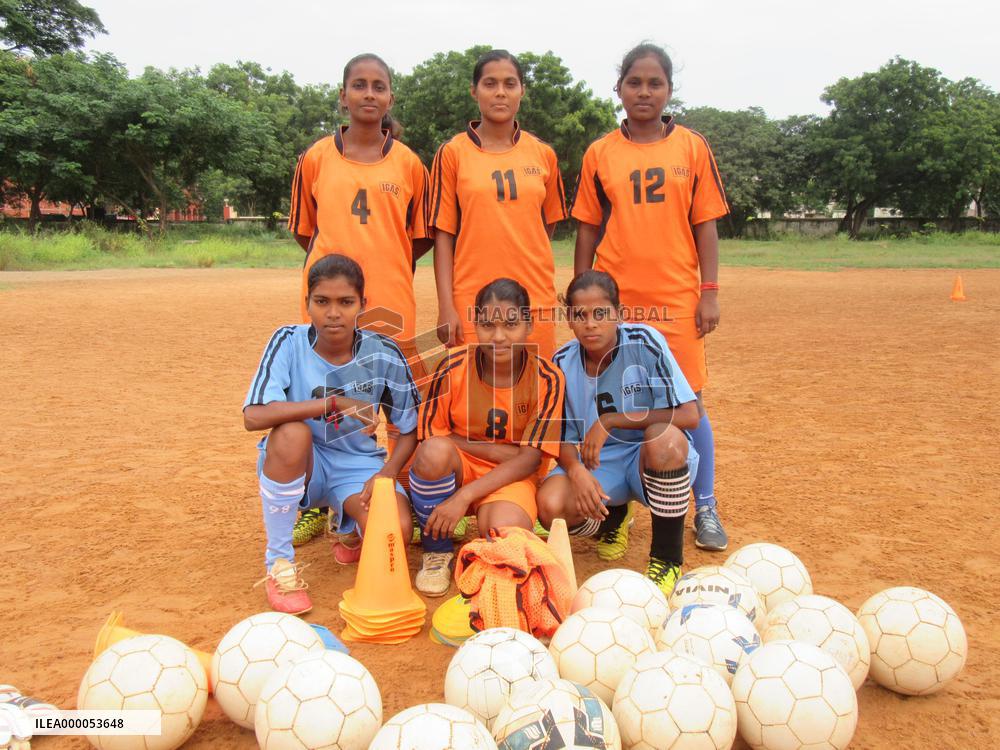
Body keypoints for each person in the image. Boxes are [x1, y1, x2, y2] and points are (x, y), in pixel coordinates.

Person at [572, 43, 731, 552]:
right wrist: (583, 297)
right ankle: (617, 509)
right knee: (619, 400)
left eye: (655, 83)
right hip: (618, 298)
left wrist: (708, 292)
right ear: (618, 89)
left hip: (676, 296)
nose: (644, 91)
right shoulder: (600, 153)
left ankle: (702, 505)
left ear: (668, 90)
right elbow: (587, 230)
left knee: (690, 404)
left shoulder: (691, 147)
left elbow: (705, 225)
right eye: (634, 82)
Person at [287, 53, 432, 545]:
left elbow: (421, 236)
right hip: (331, 301)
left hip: (391, 298)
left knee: (393, 400)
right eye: (359, 85)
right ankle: (316, 496)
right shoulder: (315, 158)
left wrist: (386, 264)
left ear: (390, 97)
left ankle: (396, 486)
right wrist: (333, 281)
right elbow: (306, 232)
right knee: (321, 397)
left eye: (379, 86)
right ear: (343, 94)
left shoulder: (410, 164)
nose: (369, 94)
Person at [243, 254, 418, 614]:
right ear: (307, 303)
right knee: (292, 433)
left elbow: (409, 427)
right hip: (302, 462)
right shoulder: (287, 342)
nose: (333, 313)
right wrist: (332, 404)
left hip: (357, 464)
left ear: (363, 305)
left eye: (345, 302)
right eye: (322, 301)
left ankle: (346, 523)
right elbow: (254, 415)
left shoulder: (384, 353)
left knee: (396, 533)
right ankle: (279, 564)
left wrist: (385, 476)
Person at [538, 270, 699, 595]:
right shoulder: (562, 362)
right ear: (569, 319)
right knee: (550, 504)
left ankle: (667, 559)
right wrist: (577, 471)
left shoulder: (644, 342)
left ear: (619, 314)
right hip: (599, 463)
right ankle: (612, 515)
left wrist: (611, 420)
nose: (591, 324)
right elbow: (563, 437)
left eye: (601, 314)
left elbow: (689, 414)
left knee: (665, 440)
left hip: (647, 457)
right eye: (580, 315)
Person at [408, 278, 565, 596]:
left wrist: (464, 492)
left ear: (529, 324)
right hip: (459, 467)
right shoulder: (452, 366)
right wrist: (508, 452)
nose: (499, 336)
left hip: (510, 479)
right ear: (474, 324)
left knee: (502, 536)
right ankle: (436, 550)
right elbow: (430, 441)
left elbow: (530, 461)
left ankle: (483, 551)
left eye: (511, 324)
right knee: (434, 454)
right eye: (487, 325)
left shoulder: (547, 378)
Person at [430, 49, 567, 360]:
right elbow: (443, 234)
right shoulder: (452, 153)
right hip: (471, 297)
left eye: (510, 84)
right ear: (474, 91)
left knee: (535, 390)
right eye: (490, 84)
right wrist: (446, 305)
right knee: (475, 396)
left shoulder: (543, 154)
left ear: (522, 90)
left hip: (535, 296)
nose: (500, 93)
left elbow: (548, 223)